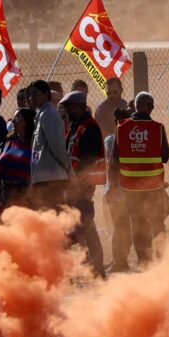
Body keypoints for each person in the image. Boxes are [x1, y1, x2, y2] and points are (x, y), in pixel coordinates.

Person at [110, 92, 169, 266]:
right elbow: (165, 156)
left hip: (130, 186)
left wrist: (114, 187)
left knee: (138, 222)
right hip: (153, 186)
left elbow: (114, 159)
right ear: (147, 106)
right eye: (151, 106)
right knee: (158, 222)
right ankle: (163, 260)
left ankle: (144, 261)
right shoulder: (158, 127)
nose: (152, 109)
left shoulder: (121, 127)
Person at [61, 91, 106, 278]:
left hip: (82, 187)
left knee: (85, 227)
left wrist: (77, 184)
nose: (67, 112)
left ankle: (97, 270)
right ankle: (90, 269)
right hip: (74, 186)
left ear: (79, 107)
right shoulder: (76, 126)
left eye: (70, 108)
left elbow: (87, 161)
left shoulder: (88, 127)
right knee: (81, 228)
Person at [28, 80, 70, 209]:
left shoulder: (49, 114)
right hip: (44, 178)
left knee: (52, 218)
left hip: (52, 179)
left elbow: (57, 147)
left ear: (46, 94)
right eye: (30, 94)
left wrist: (67, 167)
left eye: (36, 93)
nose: (32, 98)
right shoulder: (41, 114)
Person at [104, 107, 132, 272]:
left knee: (121, 226)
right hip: (118, 189)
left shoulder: (111, 139)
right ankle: (119, 261)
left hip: (117, 189)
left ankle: (121, 260)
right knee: (121, 226)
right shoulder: (114, 139)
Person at [0, 108, 35, 209]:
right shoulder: (8, 140)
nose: (12, 121)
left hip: (24, 192)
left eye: (17, 118)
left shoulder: (34, 143)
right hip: (5, 191)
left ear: (27, 122)